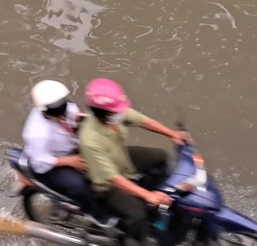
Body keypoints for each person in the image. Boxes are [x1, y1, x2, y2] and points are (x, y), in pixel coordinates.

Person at [78, 78, 190, 246]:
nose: (123, 112)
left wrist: (172, 134)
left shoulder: (116, 114)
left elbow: (143, 121)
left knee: (160, 158)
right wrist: (148, 196)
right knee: (138, 214)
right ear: (104, 114)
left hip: (121, 159)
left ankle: (145, 195)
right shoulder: (90, 140)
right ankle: (129, 237)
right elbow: (113, 178)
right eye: (117, 111)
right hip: (107, 185)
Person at [22, 80, 106, 223]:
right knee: (79, 186)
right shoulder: (38, 133)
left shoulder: (64, 108)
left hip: (70, 148)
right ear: (45, 110)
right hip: (51, 163)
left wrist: (83, 119)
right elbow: (39, 162)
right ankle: (97, 216)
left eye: (63, 107)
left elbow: (74, 116)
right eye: (57, 111)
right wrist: (70, 161)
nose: (62, 114)